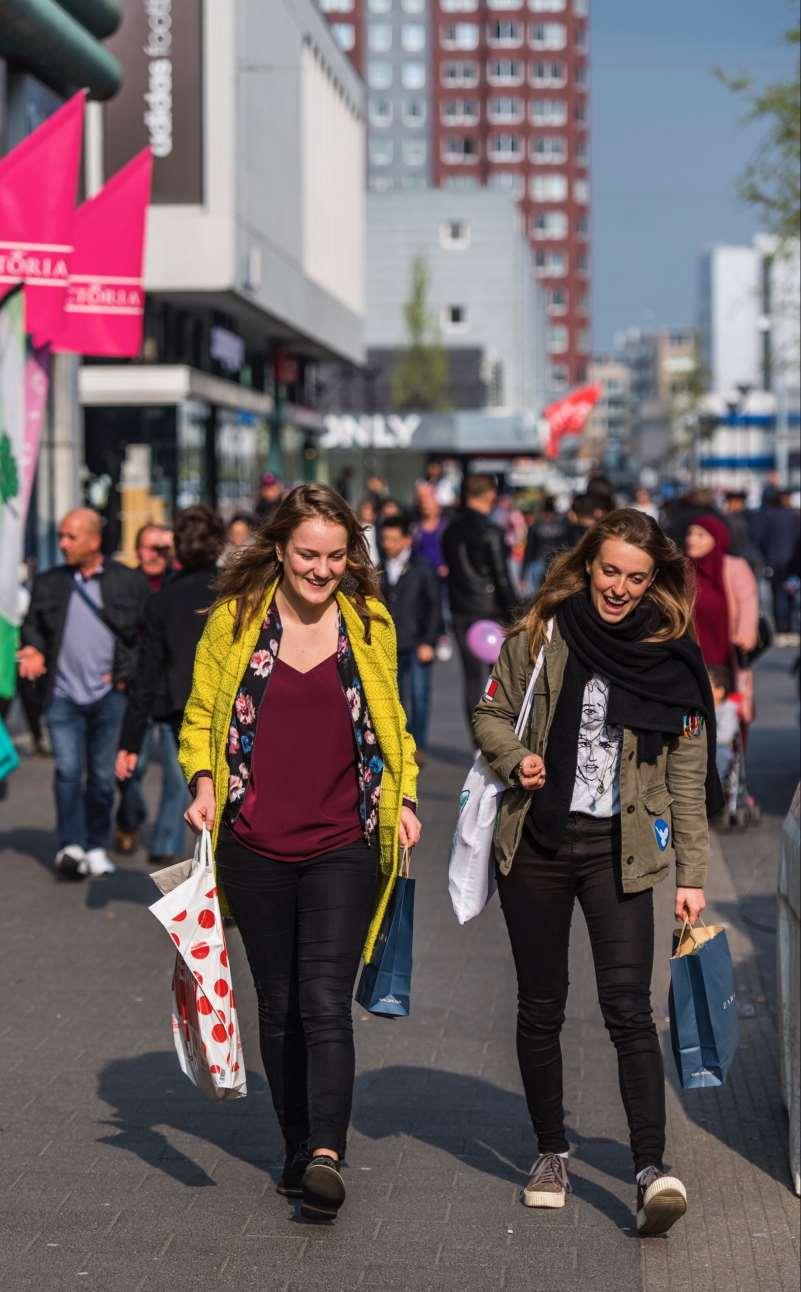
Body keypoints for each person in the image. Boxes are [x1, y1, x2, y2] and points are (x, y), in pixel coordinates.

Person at [472, 508, 721, 1236]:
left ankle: (650, 1169)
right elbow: (489, 714)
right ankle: (551, 1152)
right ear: (587, 565)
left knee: (627, 1009)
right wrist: (513, 757)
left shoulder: (668, 652)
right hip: (539, 844)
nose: (618, 588)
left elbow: (686, 767)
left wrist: (692, 875)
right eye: (609, 571)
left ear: (653, 582)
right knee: (540, 1006)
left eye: (635, 578)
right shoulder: (540, 633)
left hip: (623, 850)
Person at [179, 483, 421, 1221]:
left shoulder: (370, 624)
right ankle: (293, 1148)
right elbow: (199, 719)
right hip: (253, 841)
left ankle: (325, 1151)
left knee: (322, 1002)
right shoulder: (234, 622)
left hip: (343, 840)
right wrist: (201, 781)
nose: (321, 570)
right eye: (308, 555)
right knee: (279, 1004)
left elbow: (393, 728)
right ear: (279, 549)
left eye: (336, 557)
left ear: (352, 557)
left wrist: (404, 799)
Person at [17, 509, 148, 878]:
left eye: (70, 537)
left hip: (110, 696)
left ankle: (95, 844)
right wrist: (33, 649)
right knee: (69, 772)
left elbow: (143, 638)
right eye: (61, 536)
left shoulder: (127, 582)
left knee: (104, 778)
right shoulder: (48, 583)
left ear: (94, 540)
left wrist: (123, 676)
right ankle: (70, 844)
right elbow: (34, 629)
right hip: (62, 695)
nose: (62, 544)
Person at [115, 506, 227, 865]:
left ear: (177, 547)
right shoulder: (238, 591)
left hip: (184, 707)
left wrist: (129, 741)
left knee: (190, 783)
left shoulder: (162, 601)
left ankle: (180, 853)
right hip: (238, 705)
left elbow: (145, 676)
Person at [115, 522, 176, 854]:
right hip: (135, 689)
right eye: (148, 547)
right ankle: (129, 818)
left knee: (176, 773)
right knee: (129, 768)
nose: (154, 555)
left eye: (162, 548)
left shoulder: (179, 586)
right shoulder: (125, 586)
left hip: (170, 691)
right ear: (137, 550)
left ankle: (164, 843)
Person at [443, 474, 518, 731]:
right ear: (490, 496)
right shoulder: (491, 531)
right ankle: (497, 732)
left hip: (461, 608)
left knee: (471, 678)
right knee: (499, 676)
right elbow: (502, 577)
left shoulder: (451, 529)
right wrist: (516, 613)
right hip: (489, 611)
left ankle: (476, 739)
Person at [686, 514, 759, 722]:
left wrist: (745, 636)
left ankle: (728, 751)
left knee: (728, 710)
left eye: (700, 535)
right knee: (692, 709)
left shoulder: (735, 567)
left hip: (727, 654)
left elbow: (748, 602)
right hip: (693, 653)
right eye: (690, 533)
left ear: (716, 539)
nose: (691, 539)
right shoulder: (683, 568)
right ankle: (694, 750)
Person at [379, 514, 441, 756]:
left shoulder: (423, 567)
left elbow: (434, 605)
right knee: (396, 696)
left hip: (417, 642)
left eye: (394, 539)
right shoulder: (380, 568)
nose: (388, 544)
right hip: (391, 643)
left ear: (406, 540)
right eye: (385, 539)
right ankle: (399, 744)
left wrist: (429, 641)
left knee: (419, 695)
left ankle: (419, 746)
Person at [753, 491, 801, 642]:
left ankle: (781, 629)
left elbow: (760, 539)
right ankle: (791, 629)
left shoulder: (768, 516)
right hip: (792, 562)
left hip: (773, 561)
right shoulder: (794, 517)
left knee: (777, 594)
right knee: (791, 593)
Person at [521, 496, 570, 593]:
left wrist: (523, 574)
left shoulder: (535, 526)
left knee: (537, 594)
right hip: (555, 563)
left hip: (537, 563)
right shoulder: (563, 527)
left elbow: (529, 550)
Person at [708, 664, 740, 783]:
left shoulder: (728, 709)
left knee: (720, 756)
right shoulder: (703, 709)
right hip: (705, 749)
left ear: (719, 692)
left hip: (720, 749)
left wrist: (705, 737)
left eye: (708, 685)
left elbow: (726, 737)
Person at [134, 523, 173, 592]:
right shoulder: (125, 584)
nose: (154, 556)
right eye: (149, 549)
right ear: (137, 551)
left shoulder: (178, 581)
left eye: (160, 549)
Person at [356, 496, 380, 566]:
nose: (368, 512)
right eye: (366, 508)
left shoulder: (379, 530)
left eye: (370, 509)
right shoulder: (356, 529)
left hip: (377, 567)